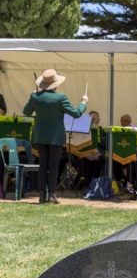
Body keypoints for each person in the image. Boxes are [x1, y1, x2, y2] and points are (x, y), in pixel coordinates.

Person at [23, 69, 88, 204]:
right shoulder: (61, 98)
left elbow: (26, 112)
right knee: (53, 166)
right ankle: (52, 194)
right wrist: (83, 102)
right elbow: (76, 113)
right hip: (55, 137)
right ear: (55, 84)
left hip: (40, 136)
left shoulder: (35, 96)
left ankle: (41, 195)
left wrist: (34, 98)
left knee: (42, 165)